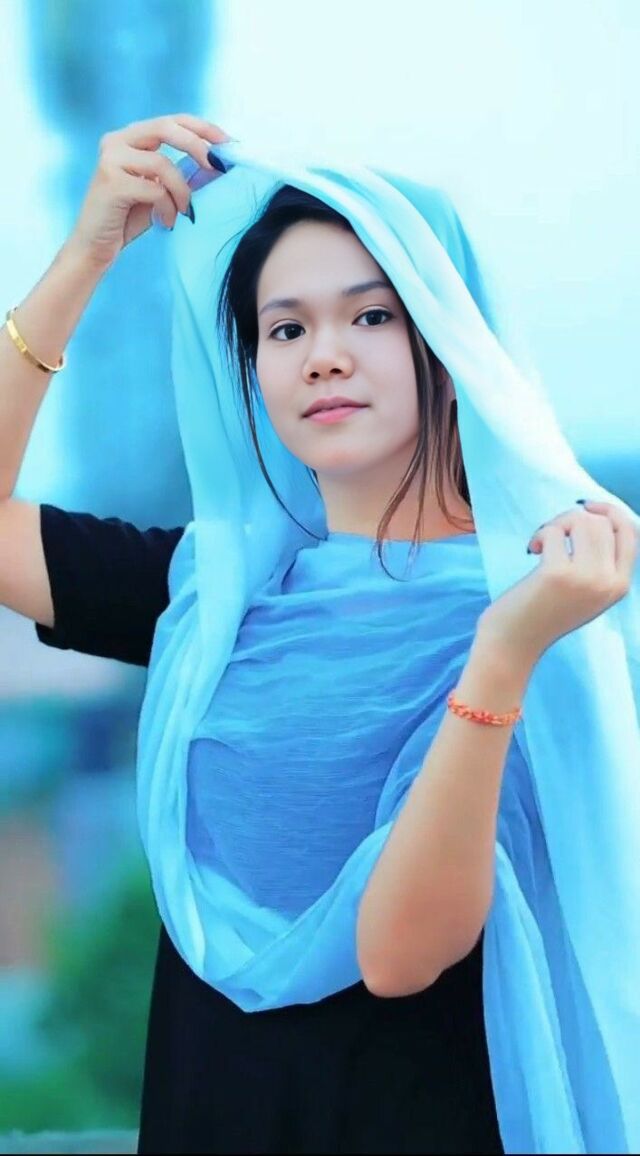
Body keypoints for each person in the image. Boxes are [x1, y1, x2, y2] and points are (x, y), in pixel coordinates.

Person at [0, 113, 638, 1156]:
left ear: (447, 342)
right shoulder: (217, 593)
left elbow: (397, 954)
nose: (323, 357)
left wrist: (502, 653)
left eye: (372, 316)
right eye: (285, 329)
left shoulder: (549, 607)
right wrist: (85, 258)